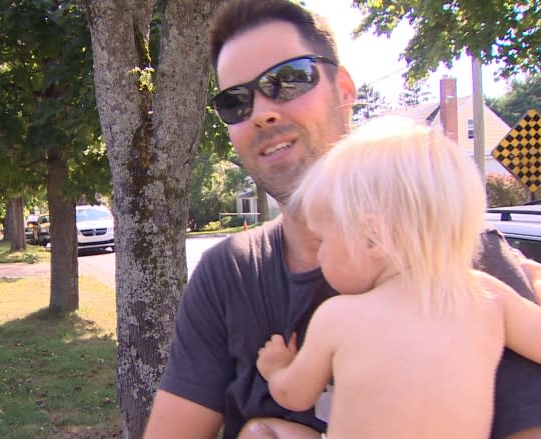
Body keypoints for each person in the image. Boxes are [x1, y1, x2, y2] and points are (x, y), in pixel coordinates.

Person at [142, 0, 541, 438]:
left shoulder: (465, 255)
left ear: (344, 88)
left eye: (289, 79)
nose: (261, 113)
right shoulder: (228, 274)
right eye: (235, 102)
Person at [240, 115, 541, 439]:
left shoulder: (338, 316)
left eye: (322, 240)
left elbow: (294, 396)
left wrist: (276, 369)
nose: (319, 254)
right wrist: (535, 283)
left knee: (260, 431)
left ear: (372, 237)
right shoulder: (488, 296)